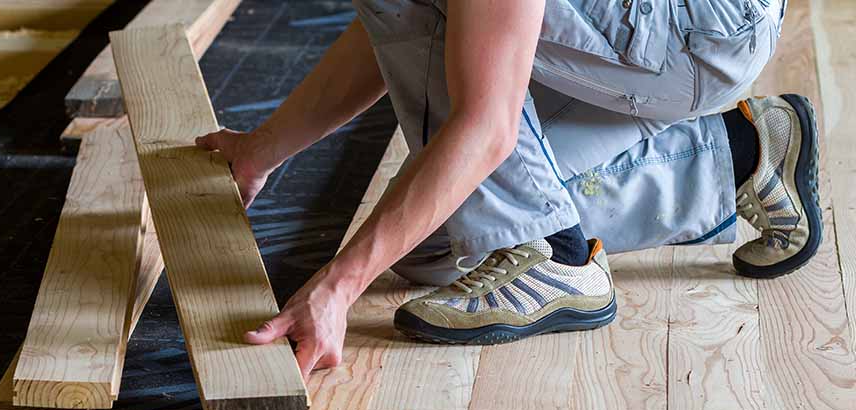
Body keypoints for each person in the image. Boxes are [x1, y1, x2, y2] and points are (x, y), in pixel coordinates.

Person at [197, 0, 820, 380]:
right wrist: (264, 147)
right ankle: (740, 154)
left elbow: (487, 124)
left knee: (483, 210)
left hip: (699, 28)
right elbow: (392, 26)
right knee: (438, 247)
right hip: (664, 20)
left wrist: (337, 290)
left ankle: (556, 257)